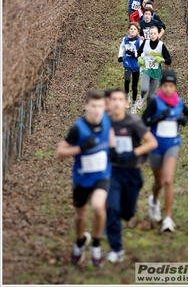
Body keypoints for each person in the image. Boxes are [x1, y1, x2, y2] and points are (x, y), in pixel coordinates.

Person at [55, 89, 115, 267]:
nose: (97, 110)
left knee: (98, 206)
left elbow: (111, 140)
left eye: (100, 106)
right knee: (80, 215)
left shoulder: (107, 122)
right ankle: (81, 241)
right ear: (86, 107)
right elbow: (59, 152)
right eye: (93, 106)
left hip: (102, 175)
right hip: (82, 178)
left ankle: (96, 245)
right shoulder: (78, 129)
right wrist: (80, 149)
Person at [106, 88, 158, 263]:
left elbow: (152, 142)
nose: (117, 103)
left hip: (132, 172)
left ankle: (123, 216)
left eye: (121, 99)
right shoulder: (105, 124)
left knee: (126, 212)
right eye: (113, 99)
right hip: (112, 171)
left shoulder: (133, 122)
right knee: (112, 208)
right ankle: (116, 248)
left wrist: (134, 153)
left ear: (126, 103)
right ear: (110, 103)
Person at [142, 70, 188, 232]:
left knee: (168, 180)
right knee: (159, 182)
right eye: (165, 86)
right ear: (161, 86)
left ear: (175, 87)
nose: (168, 89)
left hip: (172, 144)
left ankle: (168, 219)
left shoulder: (179, 102)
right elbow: (144, 121)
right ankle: (154, 202)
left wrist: (184, 120)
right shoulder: (155, 102)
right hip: (156, 145)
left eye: (171, 86)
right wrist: (159, 117)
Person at [136, 25, 171, 109]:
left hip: (156, 72)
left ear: (158, 34)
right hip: (146, 69)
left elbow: (169, 60)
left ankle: (147, 115)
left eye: (154, 33)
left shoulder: (161, 45)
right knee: (144, 89)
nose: (153, 35)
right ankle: (141, 98)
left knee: (150, 96)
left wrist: (162, 60)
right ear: (148, 34)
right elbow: (139, 52)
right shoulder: (146, 42)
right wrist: (140, 58)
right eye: (151, 33)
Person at [118, 23, 143, 114]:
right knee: (127, 79)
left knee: (134, 86)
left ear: (137, 31)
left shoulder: (139, 41)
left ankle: (133, 104)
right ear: (128, 30)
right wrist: (120, 56)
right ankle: (127, 97)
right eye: (131, 29)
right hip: (127, 62)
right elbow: (122, 47)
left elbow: (142, 53)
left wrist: (135, 54)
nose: (132, 31)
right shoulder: (125, 39)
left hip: (136, 63)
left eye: (134, 29)